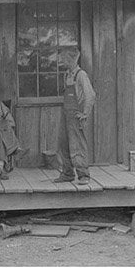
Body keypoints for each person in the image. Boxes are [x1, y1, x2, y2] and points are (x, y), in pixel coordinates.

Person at [56, 48, 96, 185]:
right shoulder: (67, 74)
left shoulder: (81, 75)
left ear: (71, 59)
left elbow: (90, 95)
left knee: (77, 145)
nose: (61, 61)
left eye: (63, 59)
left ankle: (83, 175)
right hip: (65, 113)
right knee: (63, 144)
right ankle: (67, 173)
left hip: (75, 115)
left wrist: (85, 113)